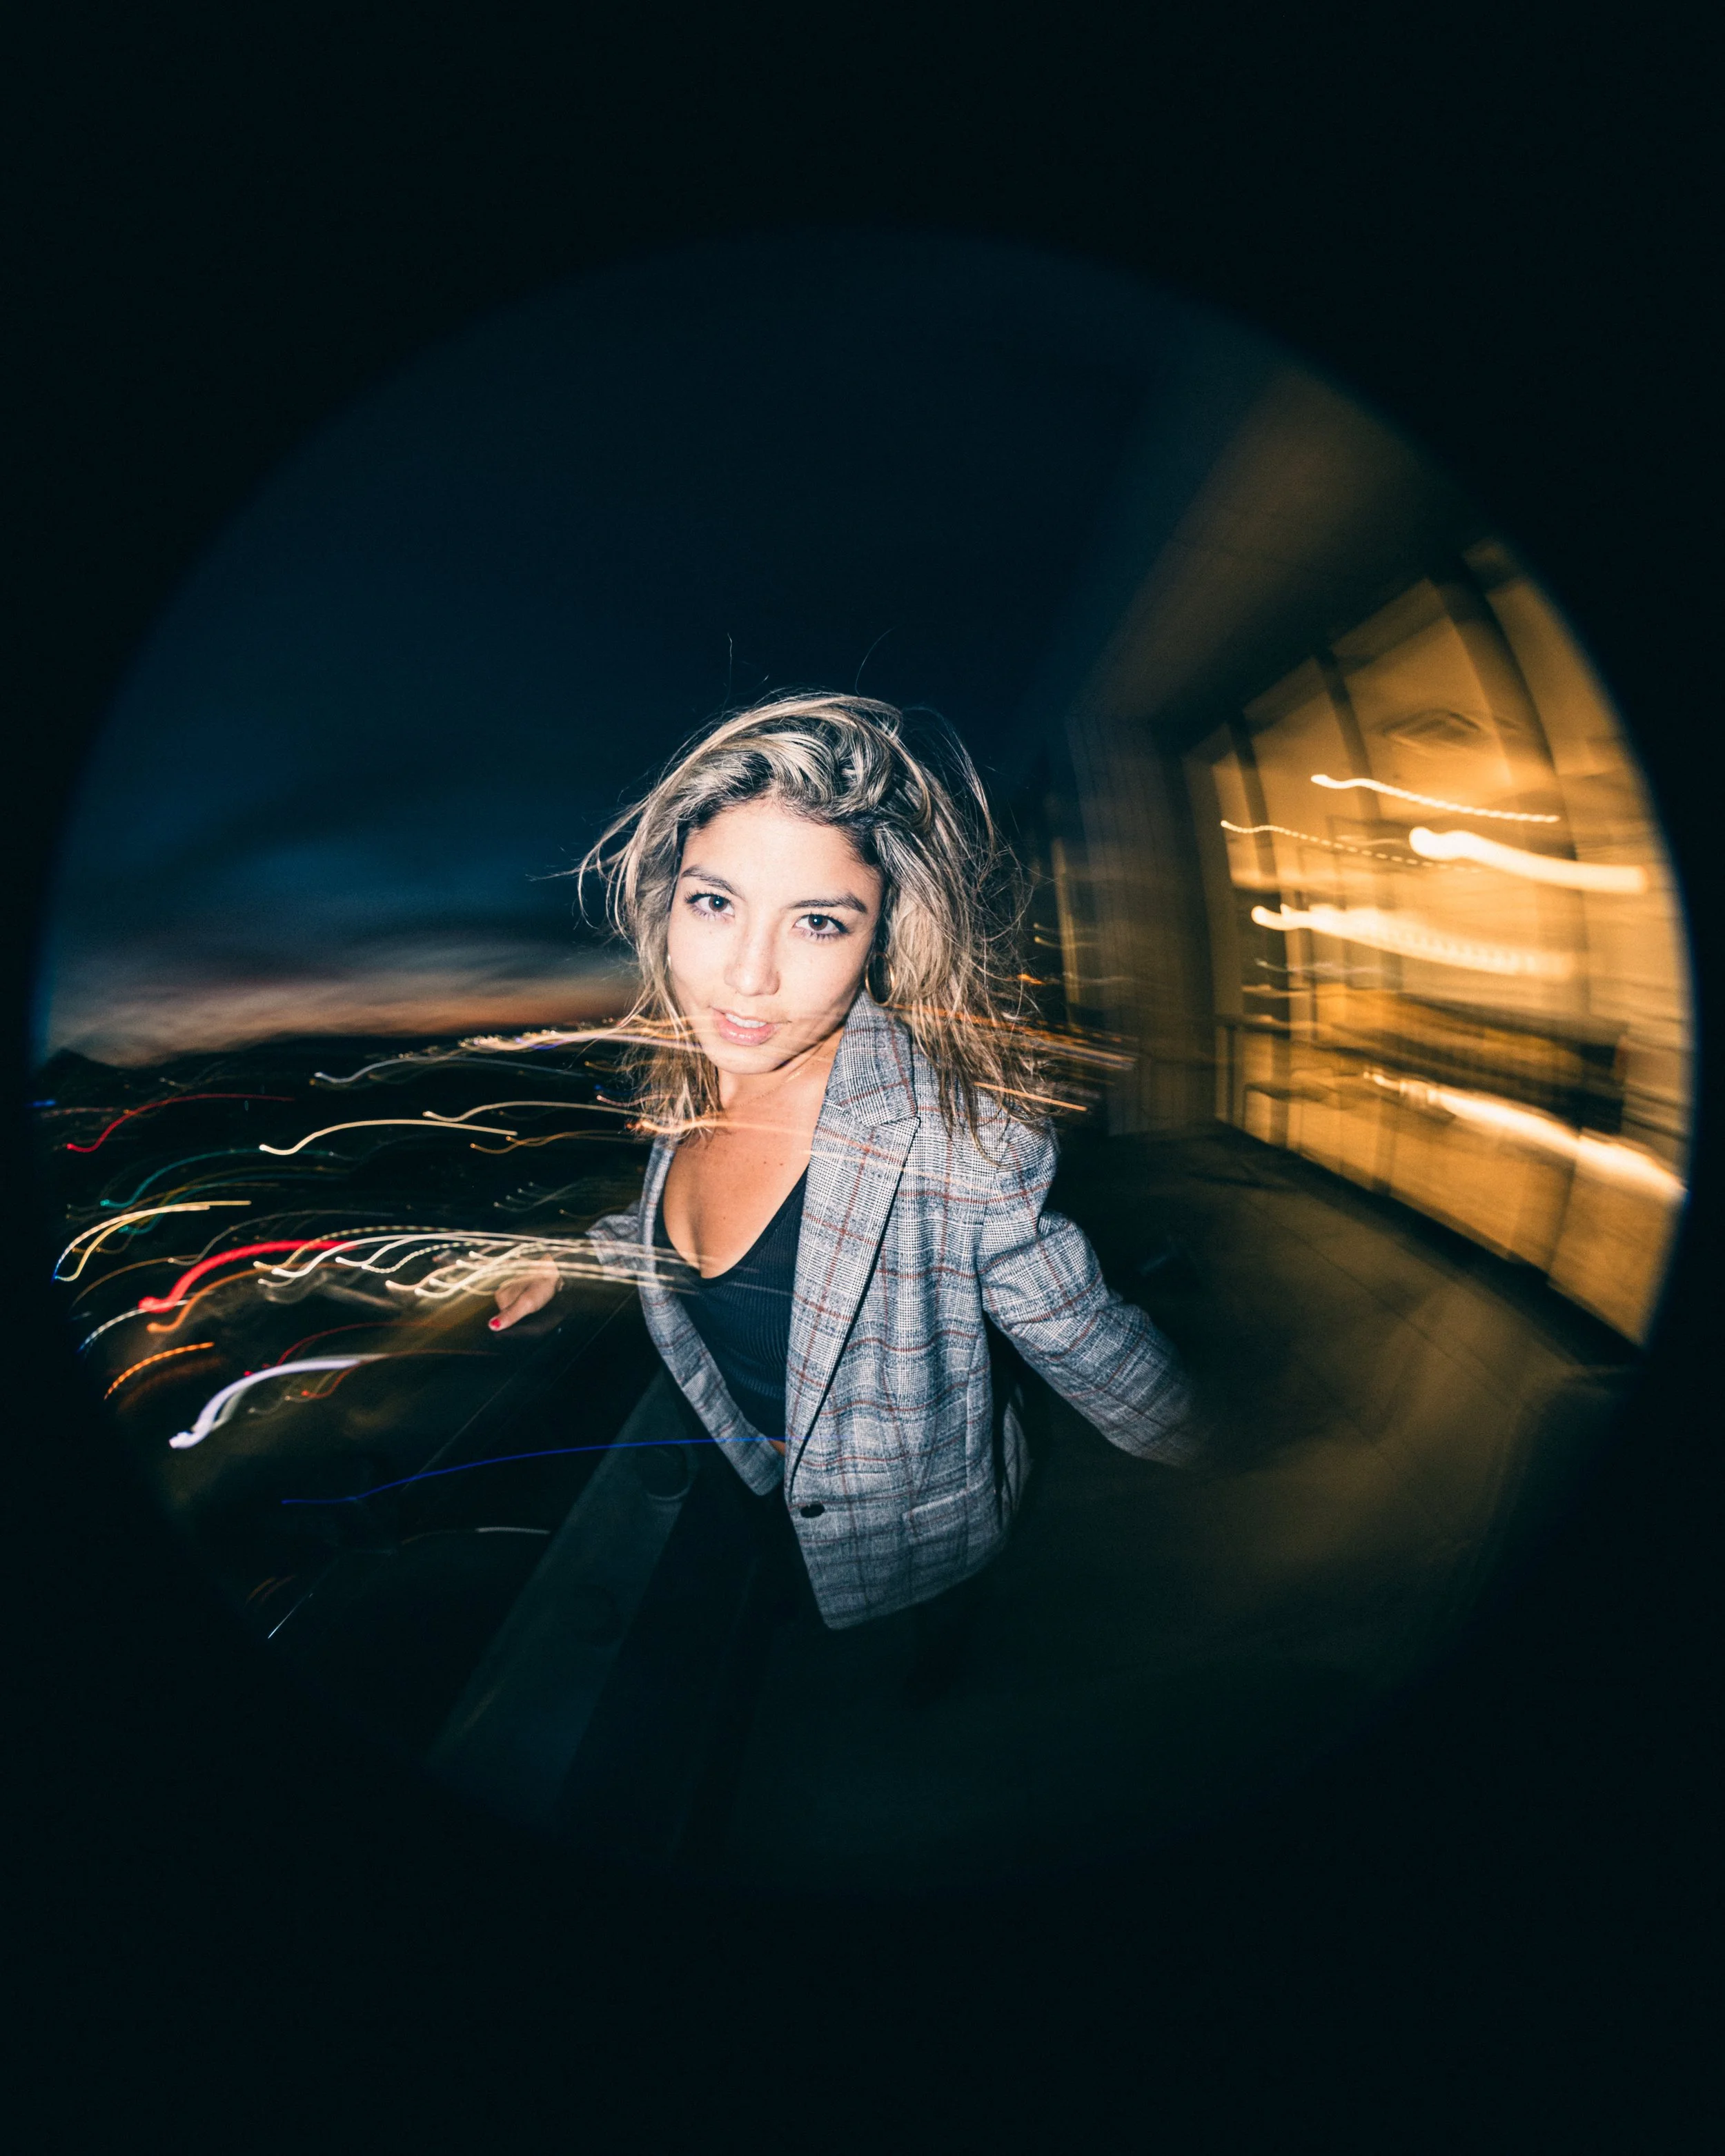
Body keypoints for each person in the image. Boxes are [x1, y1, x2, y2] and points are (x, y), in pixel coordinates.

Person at [491, 693, 1194, 1662]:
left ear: (878, 940)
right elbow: (673, 1234)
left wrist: (1235, 1462)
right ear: (668, 906)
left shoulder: (954, 1138)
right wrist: (572, 1263)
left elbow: (1087, 1339)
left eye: (817, 922)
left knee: (919, 1682)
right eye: (715, 902)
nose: (748, 977)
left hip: (923, 1542)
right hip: (761, 1489)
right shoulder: (701, 1072)